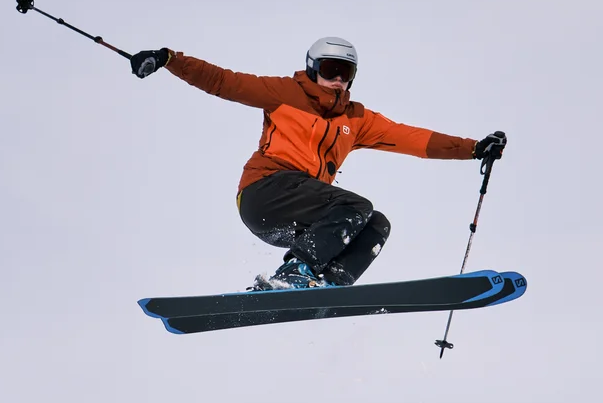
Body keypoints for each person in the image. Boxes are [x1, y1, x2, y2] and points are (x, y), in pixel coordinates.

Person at [125, 37, 506, 289]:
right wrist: (168, 59)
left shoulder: (356, 120)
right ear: (312, 69)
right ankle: (294, 272)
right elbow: (223, 81)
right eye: (329, 70)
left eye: (346, 73)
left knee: (375, 224)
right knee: (355, 206)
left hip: (301, 213)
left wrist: (473, 148)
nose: (337, 80)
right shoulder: (284, 93)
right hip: (264, 193)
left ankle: (326, 283)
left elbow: (415, 139)